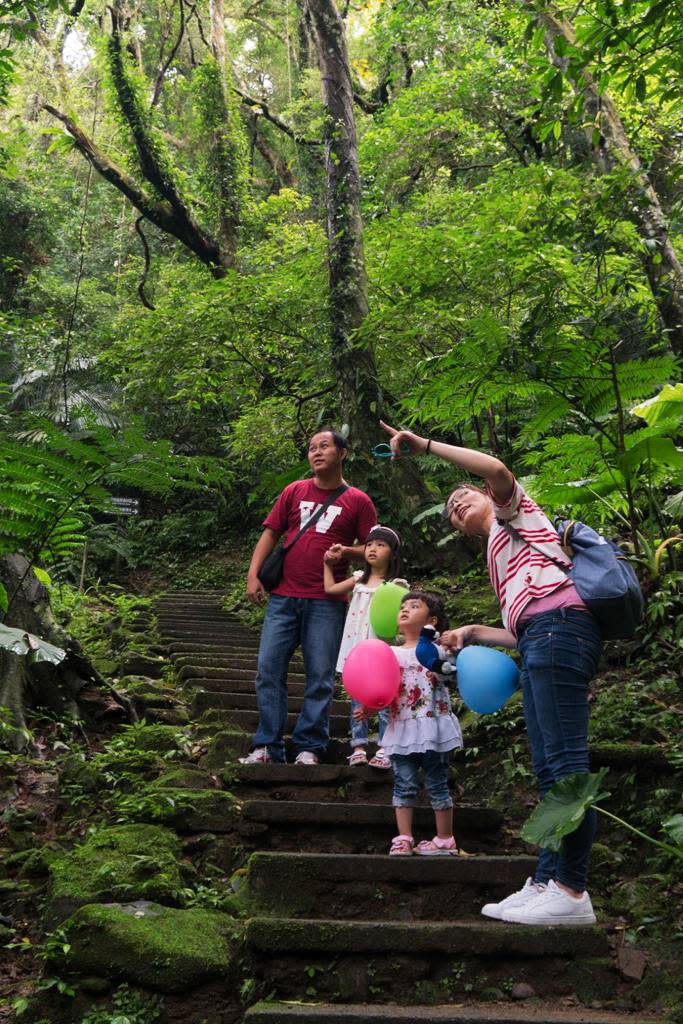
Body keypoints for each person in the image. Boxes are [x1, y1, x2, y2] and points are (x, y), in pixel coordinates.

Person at [380, 420, 603, 924]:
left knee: (566, 764)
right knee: (549, 768)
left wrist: (427, 447)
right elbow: (523, 629)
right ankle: (547, 878)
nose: (457, 507)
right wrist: (475, 630)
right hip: (543, 638)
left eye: (463, 497)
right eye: (452, 511)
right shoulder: (497, 551)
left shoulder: (513, 516)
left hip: (562, 630)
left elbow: (498, 469)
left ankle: (571, 890)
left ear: (486, 497)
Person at [241, 428, 377, 766]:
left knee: (320, 677)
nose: (316, 452)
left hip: (327, 601)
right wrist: (252, 574)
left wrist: (346, 550)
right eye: (312, 448)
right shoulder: (294, 491)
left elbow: (374, 549)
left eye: (324, 446)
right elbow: (271, 533)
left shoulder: (358, 501)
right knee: (268, 670)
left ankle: (309, 747)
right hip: (283, 597)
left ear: (342, 453)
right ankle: (268, 746)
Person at [355, 591, 464, 855]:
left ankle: (445, 839)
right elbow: (386, 686)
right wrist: (372, 706)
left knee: (437, 782)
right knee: (403, 782)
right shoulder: (390, 653)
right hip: (401, 727)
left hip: (432, 728)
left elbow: (451, 676)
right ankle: (404, 837)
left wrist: (451, 649)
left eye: (414, 606)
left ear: (432, 620)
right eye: (402, 606)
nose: (404, 610)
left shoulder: (439, 650)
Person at [323, 524, 407, 769]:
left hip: (382, 649)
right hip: (356, 647)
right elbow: (330, 589)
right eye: (370, 544)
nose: (373, 549)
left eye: (381, 545)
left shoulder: (397, 584)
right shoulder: (359, 578)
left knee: (384, 697)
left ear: (392, 553)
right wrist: (327, 565)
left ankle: (385, 746)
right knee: (356, 697)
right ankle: (358, 746)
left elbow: (401, 619)